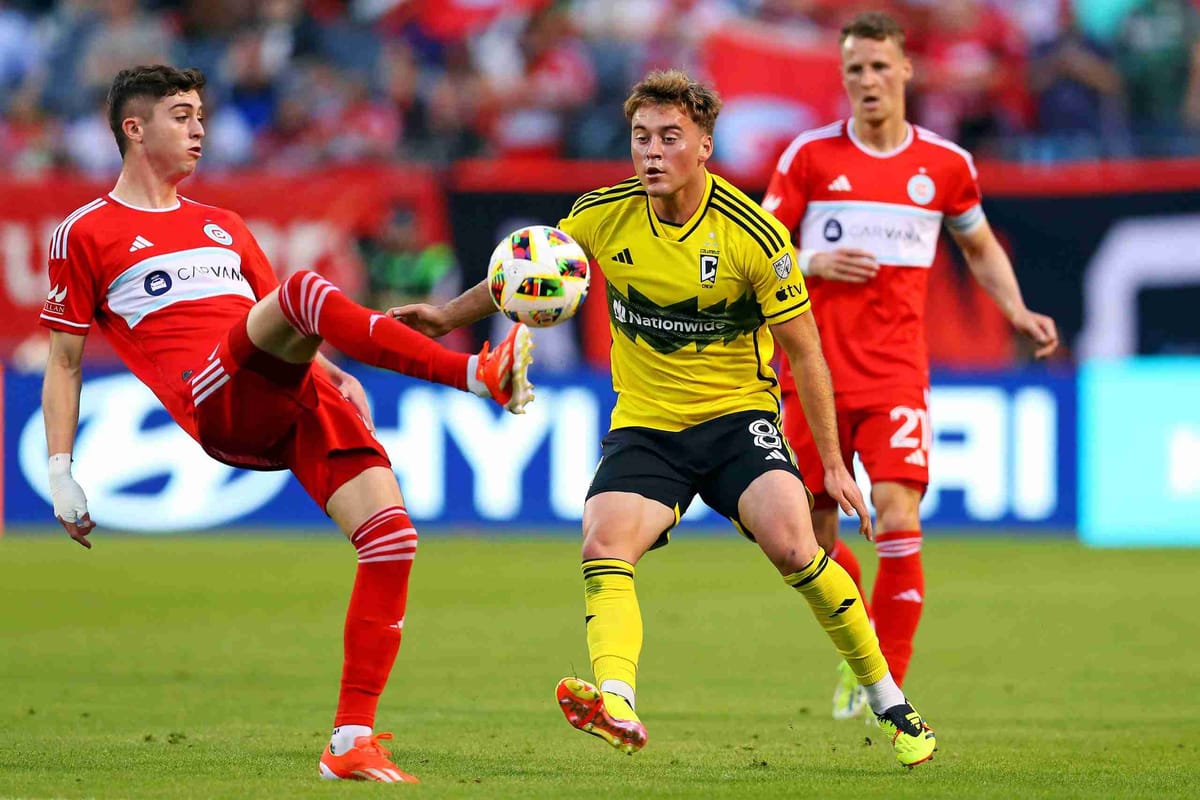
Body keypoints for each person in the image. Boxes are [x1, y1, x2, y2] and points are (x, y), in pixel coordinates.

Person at [391, 69, 938, 768]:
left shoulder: (755, 236)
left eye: (669, 137)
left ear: (704, 145)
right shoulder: (602, 213)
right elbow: (529, 272)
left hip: (737, 420)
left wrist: (832, 463)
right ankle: (616, 700)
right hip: (648, 426)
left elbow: (805, 353)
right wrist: (446, 315)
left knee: (796, 548)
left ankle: (889, 699)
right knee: (604, 543)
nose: (651, 151)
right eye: (640, 137)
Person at [38, 64, 534, 784]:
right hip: (216, 398)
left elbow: (288, 325)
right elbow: (63, 361)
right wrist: (60, 470)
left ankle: (349, 741)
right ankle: (476, 374)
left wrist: (335, 378)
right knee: (307, 287)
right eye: (181, 114)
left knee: (390, 540)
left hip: (289, 390)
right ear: (133, 128)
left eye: (202, 113)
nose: (199, 126)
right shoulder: (85, 232)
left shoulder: (224, 225)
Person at [761, 11, 1059, 719]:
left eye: (878, 66)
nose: (867, 79)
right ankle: (859, 637)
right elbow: (758, 250)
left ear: (906, 71)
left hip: (895, 372)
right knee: (804, 540)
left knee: (897, 514)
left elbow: (979, 246)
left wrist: (1015, 310)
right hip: (810, 374)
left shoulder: (945, 166)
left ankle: (884, 681)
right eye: (854, 68)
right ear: (844, 76)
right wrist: (809, 260)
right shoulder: (807, 157)